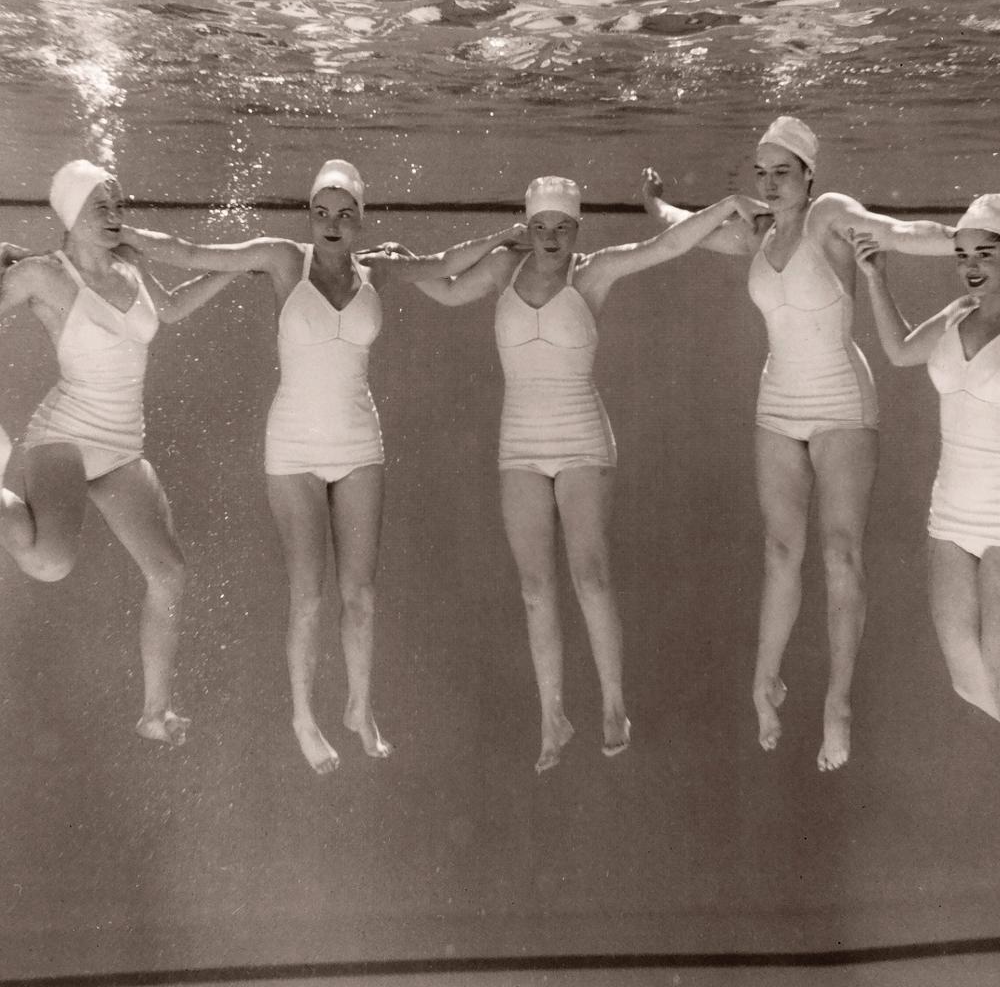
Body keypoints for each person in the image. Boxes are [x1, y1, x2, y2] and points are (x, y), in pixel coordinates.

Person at [118, 160, 527, 775]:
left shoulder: (377, 272)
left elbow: (444, 264)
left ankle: (360, 708)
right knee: (308, 594)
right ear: (308, 216)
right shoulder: (285, 261)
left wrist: (499, 239)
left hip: (360, 443)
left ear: (360, 219)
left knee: (360, 593)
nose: (333, 225)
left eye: (345, 213)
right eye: (321, 212)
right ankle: (303, 716)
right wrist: (126, 234)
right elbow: (193, 251)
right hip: (293, 450)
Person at [414, 175, 761, 773]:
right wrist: (404, 258)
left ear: (579, 230)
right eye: (541, 227)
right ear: (529, 227)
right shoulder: (503, 268)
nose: (551, 239)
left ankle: (613, 703)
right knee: (534, 589)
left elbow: (668, 247)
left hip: (581, 439)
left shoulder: (593, 273)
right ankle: (553, 716)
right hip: (519, 443)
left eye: (563, 227)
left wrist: (727, 202)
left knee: (591, 577)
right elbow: (441, 288)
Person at [643, 116, 955, 771]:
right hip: (778, 405)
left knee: (840, 554)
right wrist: (655, 201)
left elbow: (905, 235)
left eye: (782, 172)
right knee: (780, 551)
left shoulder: (830, 218)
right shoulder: (756, 232)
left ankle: (838, 703)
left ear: (810, 175)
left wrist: (974, 239)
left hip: (842, 402)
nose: (769, 183)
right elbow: (683, 232)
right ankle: (765, 681)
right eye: (761, 173)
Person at [0, 159, 242, 746]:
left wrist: (240, 266)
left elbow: (176, 307)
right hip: (64, 434)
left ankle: (154, 712)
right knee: (48, 563)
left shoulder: (130, 265)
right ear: (69, 216)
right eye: (100, 206)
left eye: (118, 205)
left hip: (121, 447)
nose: (114, 216)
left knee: (170, 573)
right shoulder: (42, 275)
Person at [853, 194, 1000, 722]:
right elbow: (898, 351)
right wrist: (875, 278)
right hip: (950, 517)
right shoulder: (958, 313)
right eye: (961, 255)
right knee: (967, 682)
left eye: (984, 252)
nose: (971, 267)